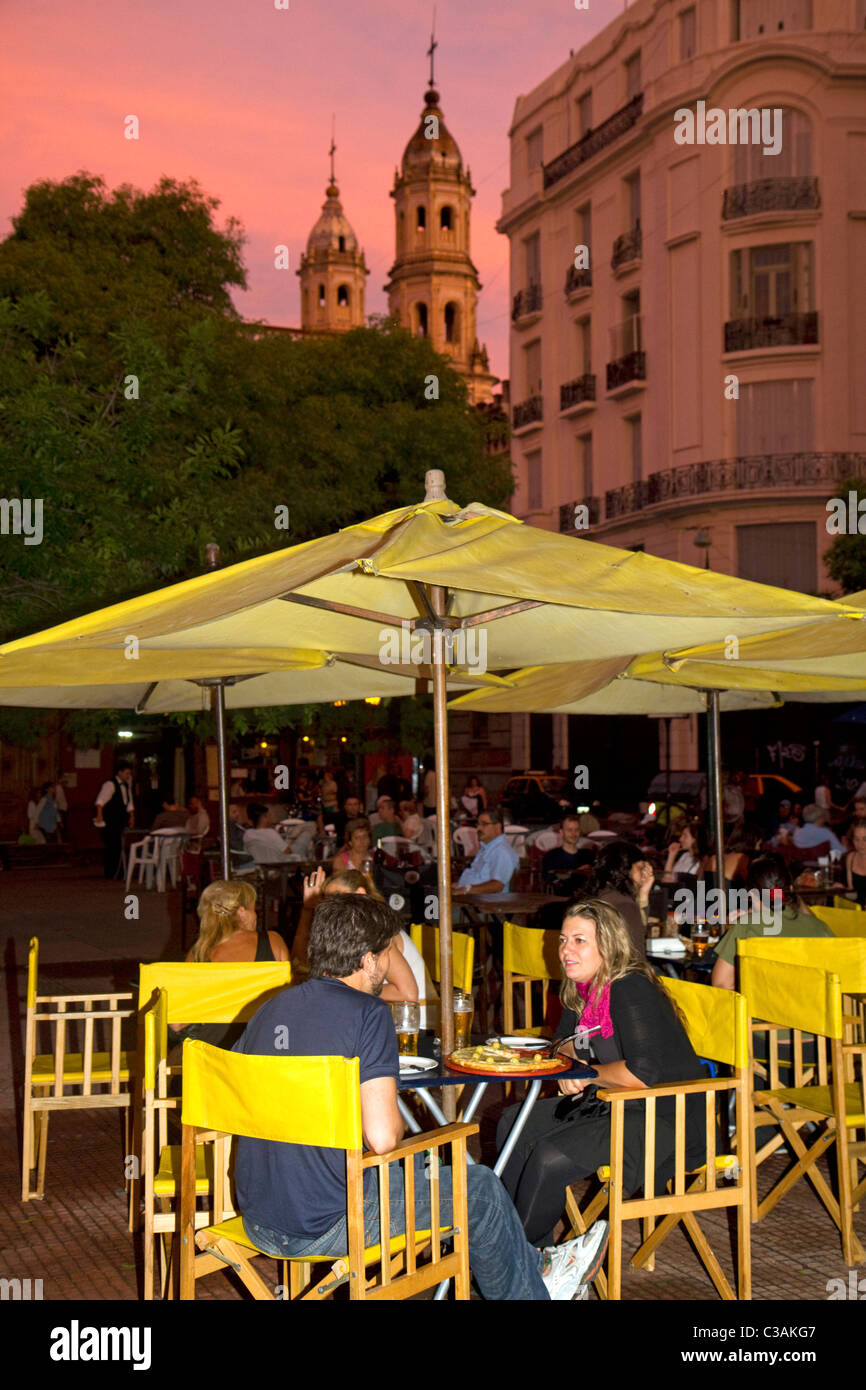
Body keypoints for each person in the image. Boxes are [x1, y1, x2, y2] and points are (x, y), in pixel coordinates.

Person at [232, 893, 609, 1300]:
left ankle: (539, 1271)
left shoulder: (270, 1010)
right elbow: (382, 1139)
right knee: (478, 1187)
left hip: (258, 1214)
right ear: (368, 959)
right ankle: (536, 1290)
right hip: (327, 1222)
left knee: (416, 1171)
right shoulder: (367, 1013)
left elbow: (239, 1105)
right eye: (387, 951)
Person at [497, 898, 708, 1246]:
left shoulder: (629, 988)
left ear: (608, 946)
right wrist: (576, 1063)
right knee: (512, 1124)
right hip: (614, 1102)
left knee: (549, 1157)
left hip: (668, 1113)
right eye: (563, 939)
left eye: (580, 940)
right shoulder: (580, 990)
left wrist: (588, 1072)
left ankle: (518, 1261)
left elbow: (643, 1074)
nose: (566, 949)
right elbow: (560, 1044)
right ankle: (535, 1252)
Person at [292, 866, 433, 1016]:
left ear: (360, 894)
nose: (332, 904)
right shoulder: (349, 932)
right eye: (327, 899)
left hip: (414, 1025)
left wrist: (346, 988)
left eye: (338, 896)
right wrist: (308, 909)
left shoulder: (377, 930)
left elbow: (407, 994)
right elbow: (300, 961)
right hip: (377, 1014)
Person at [172, 879, 288, 1050]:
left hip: (213, 1054)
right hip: (266, 1048)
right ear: (241, 912)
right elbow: (286, 1002)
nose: (256, 915)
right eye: (253, 909)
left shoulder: (198, 954)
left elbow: (177, 1024)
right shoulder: (272, 941)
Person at [711, 854, 833, 990]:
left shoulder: (747, 926)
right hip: (815, 1008)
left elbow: (721, 983)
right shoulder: (821, 928)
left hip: (762, 1009)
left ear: (750, 893)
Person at [585, 840, 653, 961]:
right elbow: (637, 956)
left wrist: (643, 895)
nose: (645, 874)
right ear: (624, 869)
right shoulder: (625, 905)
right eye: (640, 868)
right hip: (620, 976)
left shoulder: (597, 895)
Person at [453, 810, 519, 895]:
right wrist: (459, 885)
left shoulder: (501, 851)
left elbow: (497, 885)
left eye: (484, 824)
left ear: (497, 827)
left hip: (483, 903)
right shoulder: (488, 848)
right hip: (470, 897)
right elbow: (478, 877)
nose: (478, 828)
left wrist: (465, 890)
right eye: (478, 824)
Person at [94, 761, 135, 879]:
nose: (128, 776)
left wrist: (131, 816)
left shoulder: (127, 786)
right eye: (127, 773)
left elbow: (129, 803)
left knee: (119, 846)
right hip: (110, 820)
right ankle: (111, 872)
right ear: (120, 773)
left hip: (120, 820)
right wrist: (99, 815)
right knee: (112, 846)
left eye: (129, 774)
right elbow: (100, 801)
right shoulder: (110, 784)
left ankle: (118, 871)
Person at [542, 814, 594, 891]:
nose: (574, 834)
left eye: (577, 830)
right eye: (569, 830)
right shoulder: (551, 856)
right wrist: (577, 873)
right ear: (561, 832)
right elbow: (551, 883)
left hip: (585, 900)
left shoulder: (588, 855)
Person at [844, 819, 866, 907]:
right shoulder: (851, 858)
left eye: (865, 839)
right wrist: (841, 890)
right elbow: (852, 894)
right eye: (856, 839)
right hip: (857, 912)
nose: (860, 844)